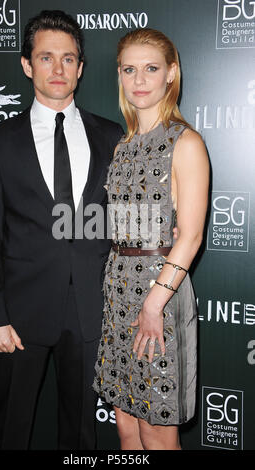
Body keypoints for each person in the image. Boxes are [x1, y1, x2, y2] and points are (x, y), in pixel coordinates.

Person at [0, 10, 123, 450]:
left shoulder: (111, 135)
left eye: (68, 59)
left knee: (81, 435)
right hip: (18, 317)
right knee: (9, 433)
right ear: (26, 65)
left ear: (80, 68)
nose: (58, 69)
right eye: (45, 58)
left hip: (90, 312)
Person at [93, 28, 209, 450]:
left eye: (151, 69)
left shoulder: (186, 143)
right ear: (119, 76)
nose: (139, 80)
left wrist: (154, 303)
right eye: (129, 69)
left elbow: (191, 235)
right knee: (126, 428)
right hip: (119, 291)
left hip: (159, 297)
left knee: (157, 434)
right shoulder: (124, 146)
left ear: (171, 74)